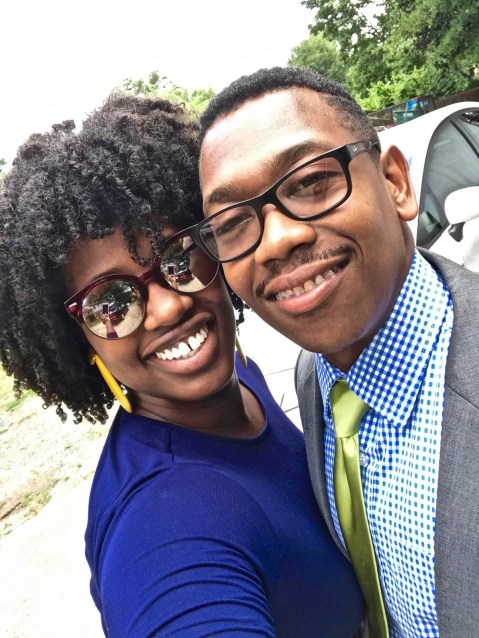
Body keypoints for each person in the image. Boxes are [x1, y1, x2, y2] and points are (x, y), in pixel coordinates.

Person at [0, 94, 365, 637]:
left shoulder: (239, 378)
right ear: (77, 341)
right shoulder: (160, 522)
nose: (169, 307)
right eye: (110, 303)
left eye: (178, 258)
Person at [190, 67, 479, 638]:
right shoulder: (316, 378)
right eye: (232, 222)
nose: (276, 240)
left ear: (395, 183)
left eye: (310, 182)